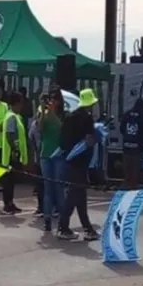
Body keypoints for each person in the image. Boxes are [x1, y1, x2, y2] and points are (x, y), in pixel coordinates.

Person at [56, 88, 100, 241]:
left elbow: (62, 141)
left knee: (80, 196)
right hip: (81, 162)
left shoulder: (69, 118)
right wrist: (97, 136)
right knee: (75, 195)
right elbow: (89, 140)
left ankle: (87, 229)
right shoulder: (87, 119)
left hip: (70, 160)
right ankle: (63, 227)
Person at [37, 90, 64, 229]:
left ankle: (62, 220)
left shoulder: (62, 115)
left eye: (54, 100)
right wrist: (42, 111)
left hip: (58, 155)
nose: (52, 103)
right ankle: (47, 218)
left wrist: (52, 113)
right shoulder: (44, 115)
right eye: (50, 100)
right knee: (48, 188)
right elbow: (40, 129)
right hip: (45, 155)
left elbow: (62, 129)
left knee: (59, 187)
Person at [0, 92, 27, 214]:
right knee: (9, 181)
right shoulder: (11, 117)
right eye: (20, 103)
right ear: (16, 104)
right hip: (11, 155)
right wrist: (15, 150)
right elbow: (10, 134)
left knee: (11, 181)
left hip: (11, 154)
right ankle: (7, 204)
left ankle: (10, 203)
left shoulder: (15, 116)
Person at [120, 98, 143, 188]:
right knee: (136, 168)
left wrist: (127, 138)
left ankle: (126, 184)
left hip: (127, 145)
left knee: (127, 167)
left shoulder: (126, 114)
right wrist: (142, 139)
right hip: (138, 146)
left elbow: (122, 128)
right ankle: (134, 186)